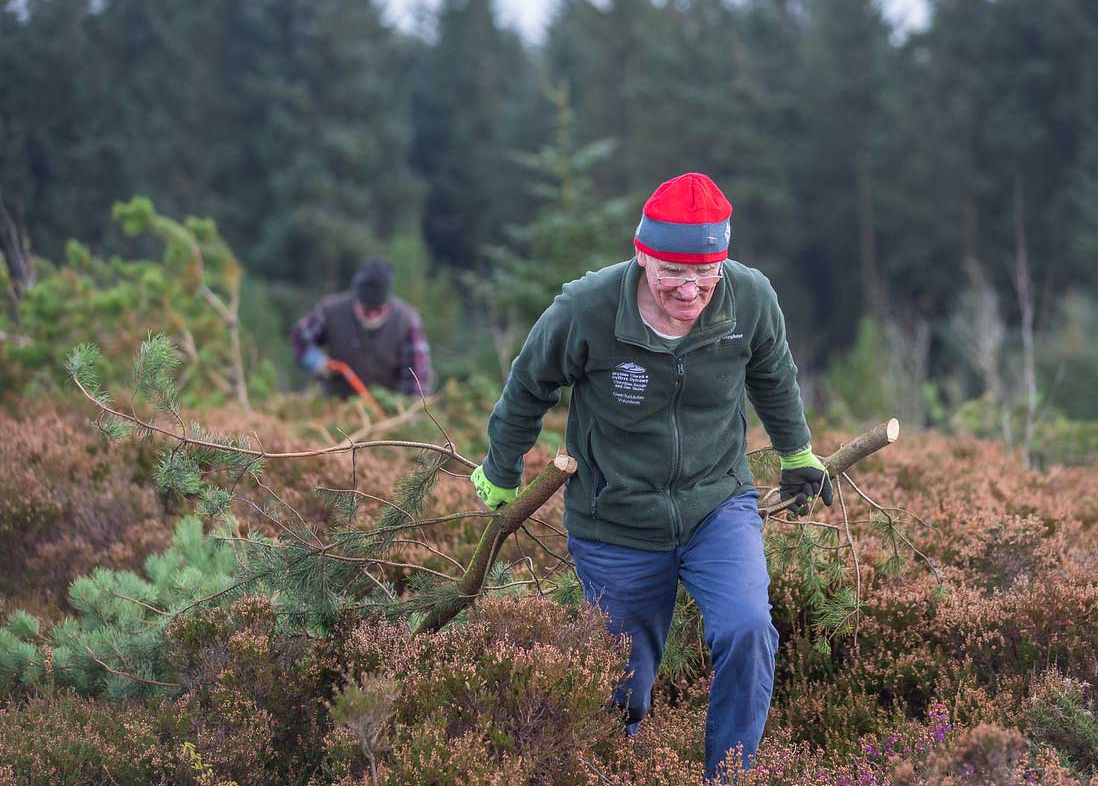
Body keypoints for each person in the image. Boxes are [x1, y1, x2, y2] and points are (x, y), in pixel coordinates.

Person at [469, 172, 832, 779]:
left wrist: (797, 452)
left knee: (748, 629)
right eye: (673, 272)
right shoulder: (586, 308)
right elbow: (528, 385)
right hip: (616, 519)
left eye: (705, 272)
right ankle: (616, 765)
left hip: (718, 502)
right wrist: (502, 471)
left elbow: (774, 373)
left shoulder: (749, 297)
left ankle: (731, 774)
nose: (691, 290)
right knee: (622, 685)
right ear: (642, 255)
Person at [290, 257, 435, 398]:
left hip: (385, 410)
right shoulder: (330, 311)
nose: (371, 315)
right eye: (366, 309)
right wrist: (316, 361)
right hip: (335, 406)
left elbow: (417, 380)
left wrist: (406, 412)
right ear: (356, 300)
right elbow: (300, 337)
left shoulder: (407, 321)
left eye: (377, 310)